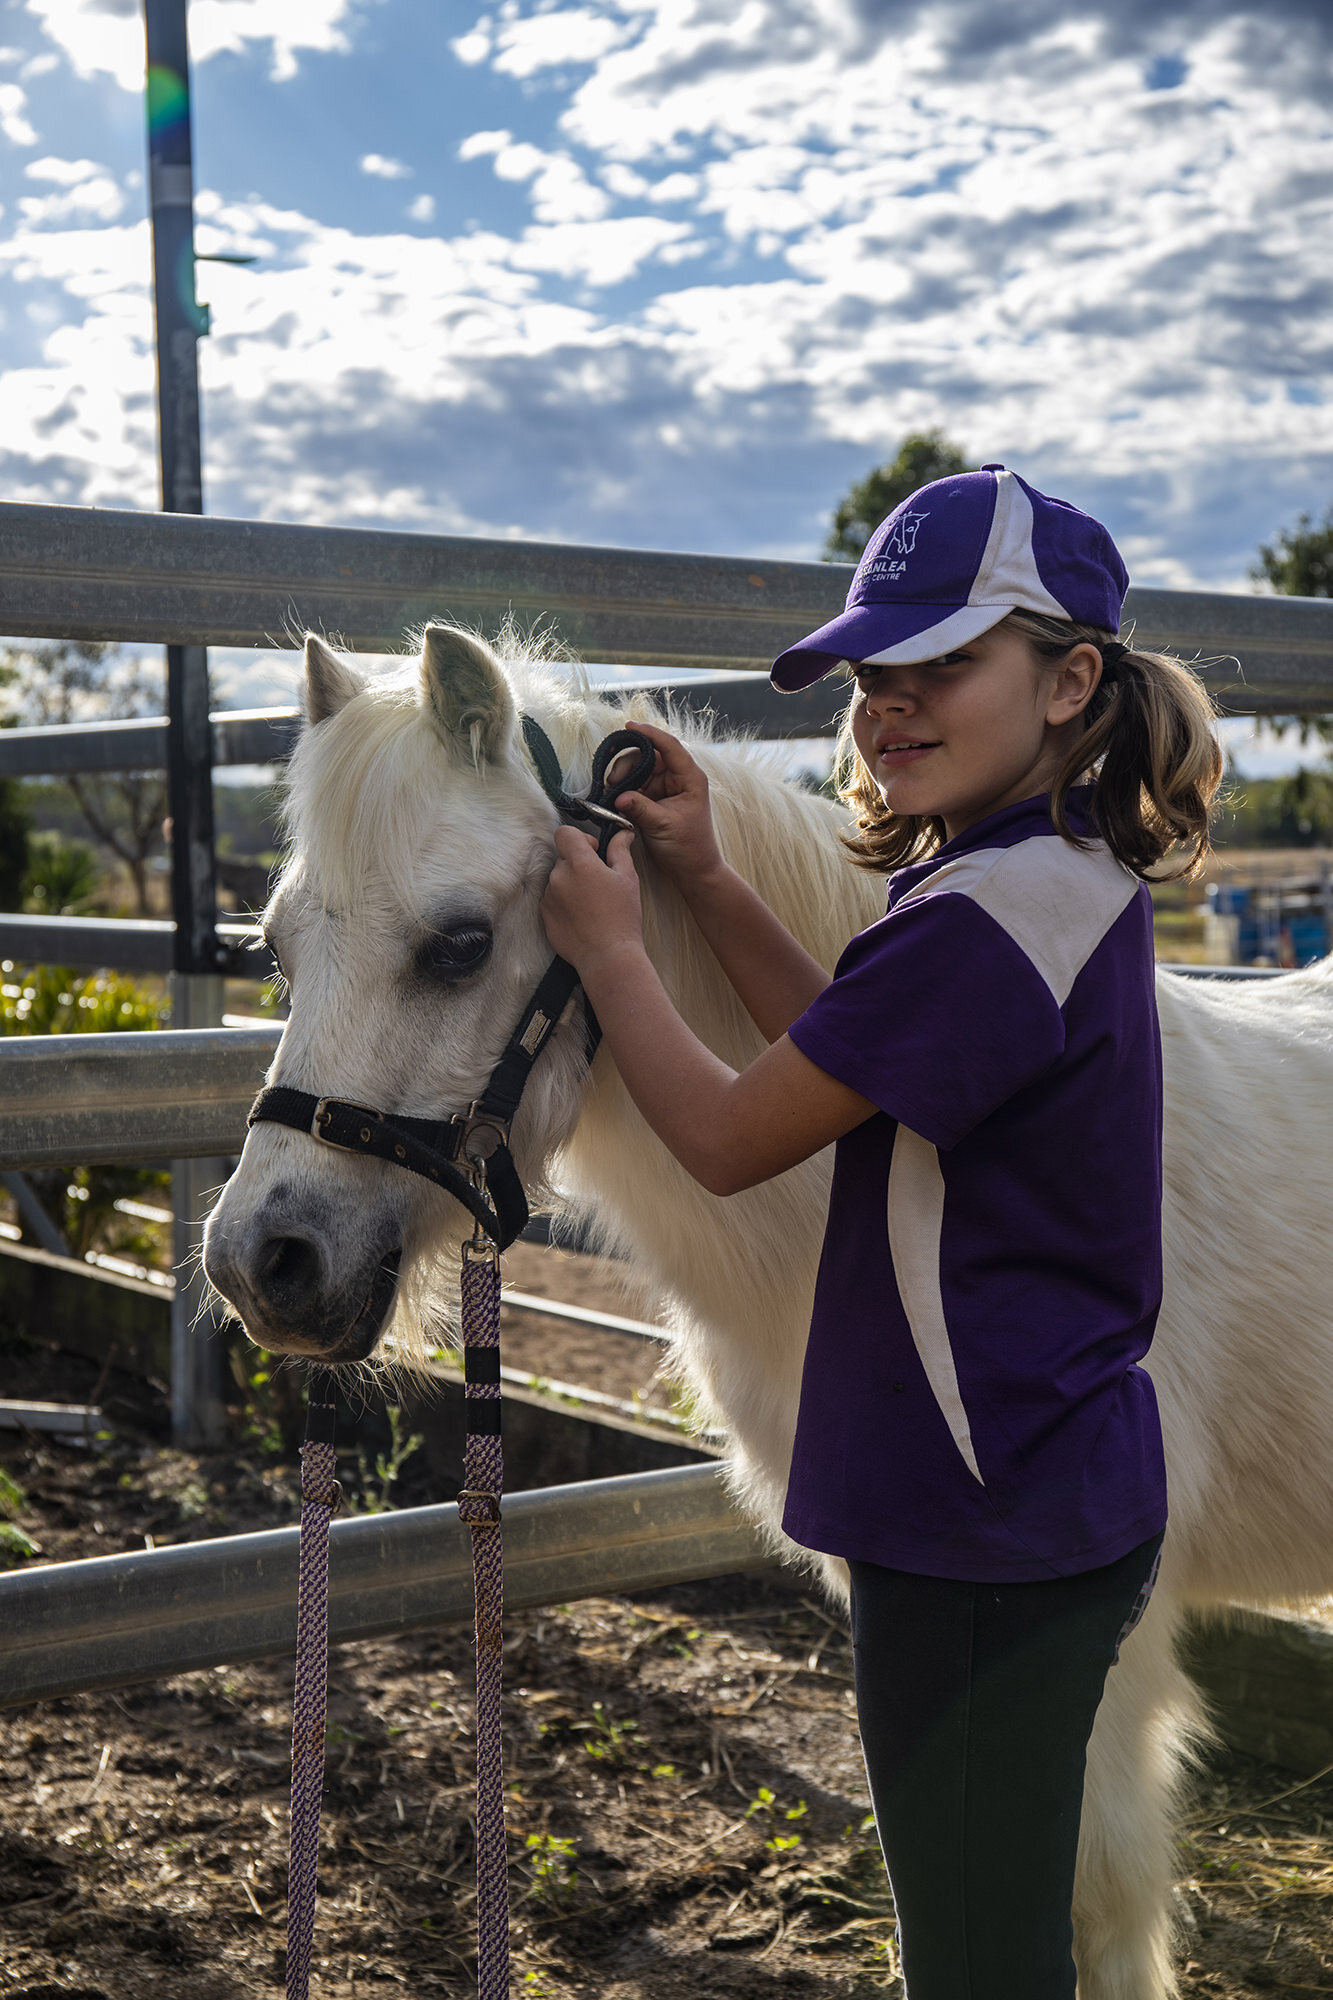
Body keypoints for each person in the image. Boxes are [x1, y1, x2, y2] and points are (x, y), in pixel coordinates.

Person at [539, 464, 1223, 1998]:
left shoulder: (983, 918)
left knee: (975, 1959)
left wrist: (610, 949)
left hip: (971, 1528)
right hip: (1035, 1501)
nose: (888, 706)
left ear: (1068, 681)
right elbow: (854, 1062)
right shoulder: (1030, 878)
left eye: (942, 666)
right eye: (870, 674)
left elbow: (725, 1138)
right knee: (988, 1925)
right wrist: (707, 878)